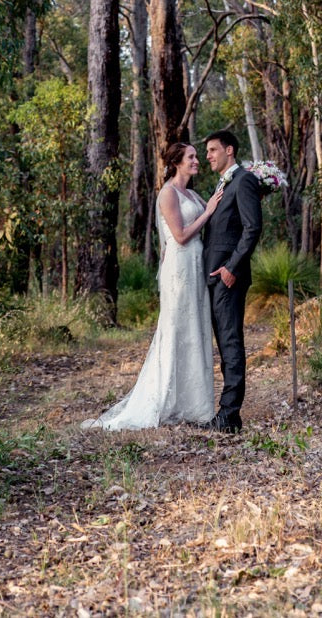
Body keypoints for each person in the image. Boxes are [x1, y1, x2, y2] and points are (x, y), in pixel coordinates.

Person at [81, 142, 222, 431]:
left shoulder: (192, 194)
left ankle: (195, 404)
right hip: (179, 269)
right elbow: (180, 236)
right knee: (177, 330)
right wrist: (206, 214)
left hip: (197, 267)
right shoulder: (168, 194)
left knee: (196, 328)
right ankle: (164, 400)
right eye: (192, 157)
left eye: (197, 156)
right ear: (177, 163)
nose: (197, 161)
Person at [202, 131, 263, 433]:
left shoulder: (244, 180)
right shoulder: (224, 183)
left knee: (230, 342)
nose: (208, 156)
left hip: (229, 277)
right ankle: (227, 412)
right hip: (214, 276)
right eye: (207, 151)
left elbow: (252, 228)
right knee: (224, 345)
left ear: (229, 150)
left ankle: (229, 415)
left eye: (213, 150)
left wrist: (231, 267)